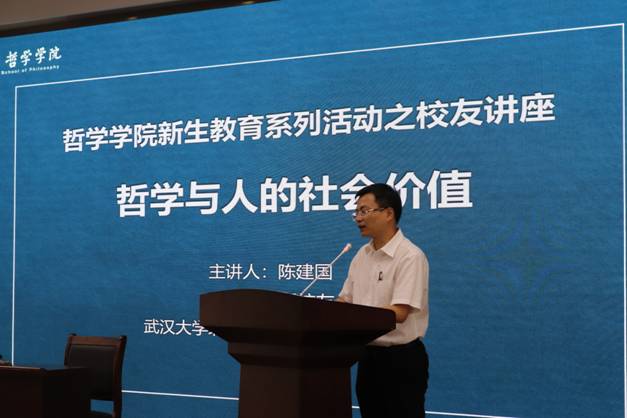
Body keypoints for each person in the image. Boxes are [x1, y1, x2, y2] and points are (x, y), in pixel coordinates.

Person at [337, 183, 429, 418]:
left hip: (401, 360)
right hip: (368, 357)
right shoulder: (361, 255)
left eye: (364, 211)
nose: (358, 218)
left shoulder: (410, 256)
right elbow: (345, 300)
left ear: (388, 213)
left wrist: (355, 316)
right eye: (356, 212)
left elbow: (399, 312)